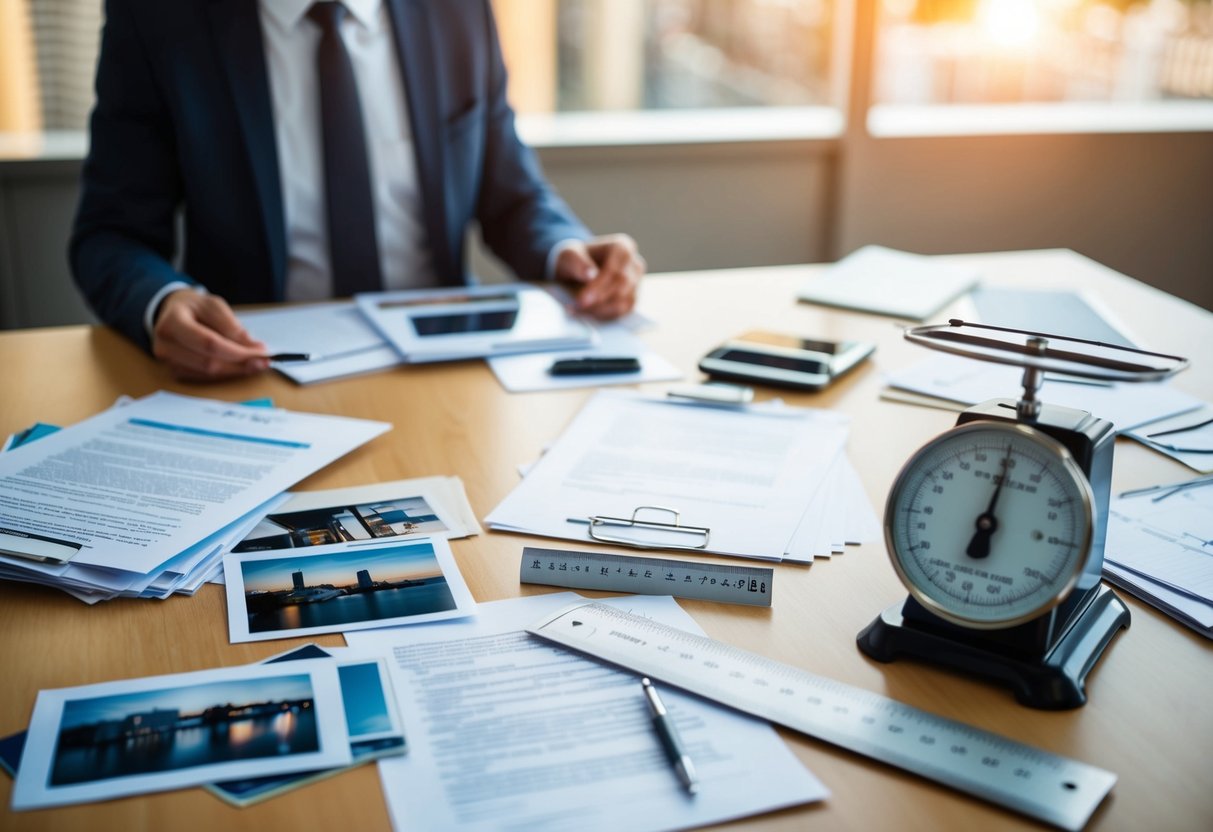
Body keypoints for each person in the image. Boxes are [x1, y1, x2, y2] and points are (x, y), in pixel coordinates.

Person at [70, 0, 645, 381]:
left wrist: (564, 247)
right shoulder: (158, 17)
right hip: (255, 372)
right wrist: (162, 302)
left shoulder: (458, 9)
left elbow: (511, 195)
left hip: (442, 365)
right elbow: (111, 234)